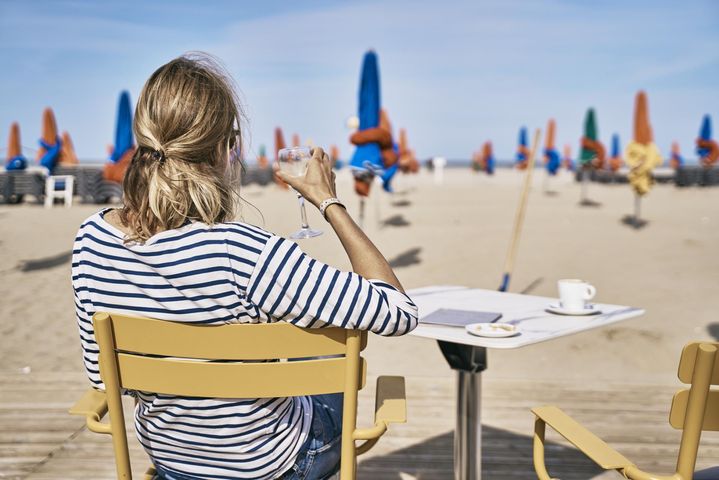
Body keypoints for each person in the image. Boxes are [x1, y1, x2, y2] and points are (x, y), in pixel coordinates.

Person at [71, 54, 418, 480]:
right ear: (226, 146)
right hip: (272, 466)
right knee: (328, 371)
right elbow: (398, 311)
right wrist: (329, 202)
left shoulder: (91, 239)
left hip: (173, 462)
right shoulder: (244, 252)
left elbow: (104, 377)